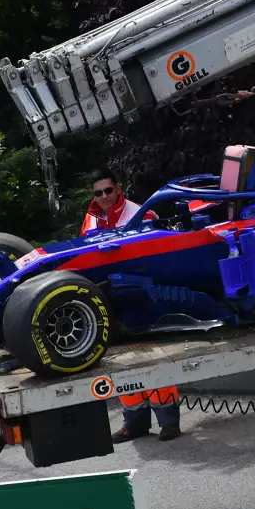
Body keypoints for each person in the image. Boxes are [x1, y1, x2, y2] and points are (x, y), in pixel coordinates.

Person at [80, 168, 182, 442]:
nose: (103, 196)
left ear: (118, 188)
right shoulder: (91, 219)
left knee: (157, 357)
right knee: (122, 363)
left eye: (108, 191)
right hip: (111, 296)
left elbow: (160, 249)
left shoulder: (139, 213)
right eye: (98, 193)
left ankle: (168, 422)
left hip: (144, 293)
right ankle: (134, 422)